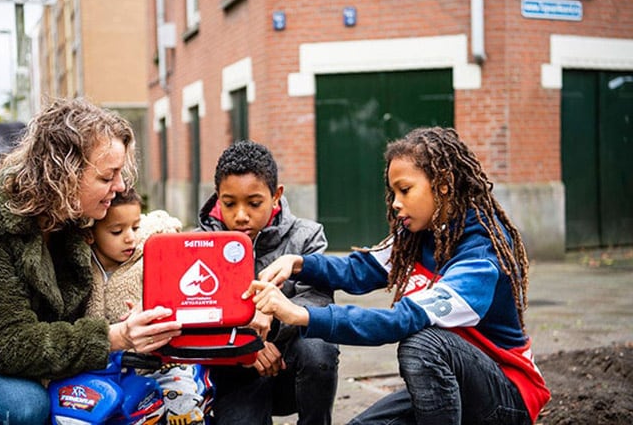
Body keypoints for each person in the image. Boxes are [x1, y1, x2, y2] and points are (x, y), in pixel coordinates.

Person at [245, 127, 551, 425]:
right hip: (452, 385)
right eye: (393, 192)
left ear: (443, 183)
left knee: (421, 343)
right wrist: (297, 263)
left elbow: (400, 321)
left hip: (507, 397)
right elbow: (358, 270)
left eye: (404, 190)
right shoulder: (419, 236)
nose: (395, 202)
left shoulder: (481, 253)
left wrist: (300, 314)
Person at [0, 98, 183, 425]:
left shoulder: (73, 212)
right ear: (62, 173)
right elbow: (9, 343)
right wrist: (117, 336)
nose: (121, 186)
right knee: (22, 404)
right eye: (107, 177)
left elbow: (136, 228)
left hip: (28, 348)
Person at [197, 140, 339, 425]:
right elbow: (197, 313)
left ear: (276, 196)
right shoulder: (200, 244)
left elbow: (317, 301)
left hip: (292, 366)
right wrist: (247, 344)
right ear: (217, 197)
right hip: (234, 366)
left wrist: (272, 309)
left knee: (319, 347)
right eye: (229, 203)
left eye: (254, 203)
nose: (240, 215)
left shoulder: (307, 236)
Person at [85, 188, 213, 424]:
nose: (130, 238)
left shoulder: (149, 258)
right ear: (90, 234)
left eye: (135, 227)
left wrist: (150, 308)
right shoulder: (82, 267)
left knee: (181, 398)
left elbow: (176, 297)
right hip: (105, 366)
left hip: (158, 362)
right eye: (117, 231)